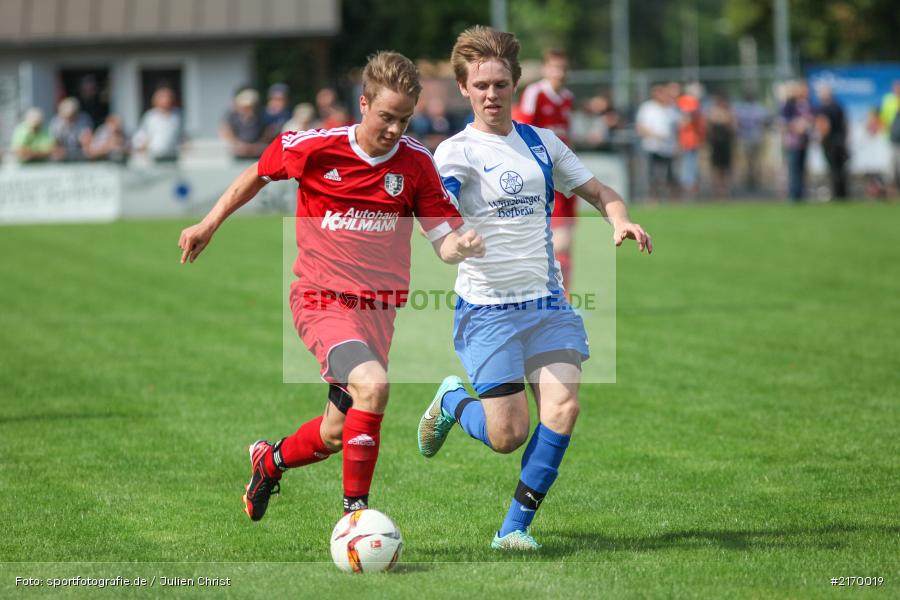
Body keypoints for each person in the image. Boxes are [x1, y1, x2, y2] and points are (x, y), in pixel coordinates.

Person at [178, 51, 484, 522]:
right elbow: (257, 174)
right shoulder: (316, 146)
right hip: (321, 299)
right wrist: (209, 222)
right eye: (385, 116)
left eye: (403, 120)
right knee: (374, 386)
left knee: (334, 433)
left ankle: (269, 460)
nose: (393, 129)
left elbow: (442, 240)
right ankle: (355, 519)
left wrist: (460, 245)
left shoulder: (416, 162)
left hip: (379, 312)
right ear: (363, 104)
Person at [417, 26, 652, 551]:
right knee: (507, 435)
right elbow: (438, 210)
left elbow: (598, 189)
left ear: (515, 84)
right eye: (480, 85)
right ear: (463, 88)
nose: (491, 94)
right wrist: (453, 243)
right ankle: (453, 400)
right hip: (488, 310)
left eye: (500, 83)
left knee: (564, 407)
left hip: (547, 303)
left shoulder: (541, 143)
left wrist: (619, 219)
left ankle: (513, 530)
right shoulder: (455, 151)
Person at [515, 49, 578, 291]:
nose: (559, 73)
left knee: (567, 240)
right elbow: (523, 131)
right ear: (545, 69)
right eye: (554, 68)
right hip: (543, 176)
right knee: (553, 241)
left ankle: (564, 297)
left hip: (564, 174)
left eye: (563, 68)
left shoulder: (567, 97)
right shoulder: (535, 93)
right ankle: (545, 295)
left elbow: (566, 135)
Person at [636, 84, 680, 202]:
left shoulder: (671, 108)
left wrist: (677, 144)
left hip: (669, 148)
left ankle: (674, 200)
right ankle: (653, 198)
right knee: (653, 175)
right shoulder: (647, 108)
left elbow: (677, 128)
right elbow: (640, 128)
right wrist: (656, 135)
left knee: (671, 175)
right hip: (653, 147)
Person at [780, 80, 813, 201]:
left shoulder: (807, 104)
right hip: (793, 142)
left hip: (804, 141)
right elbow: (783, 123)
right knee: (793, 169)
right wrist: (796, 126)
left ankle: (801, 193)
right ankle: (794, 195)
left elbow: (811, 119)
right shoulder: (789, 104)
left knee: (802, 169)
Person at [814, 83, 849, 200]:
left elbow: (824, 125)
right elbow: (845, 124)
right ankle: (842, 194)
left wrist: (821, 139)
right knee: (840, 169)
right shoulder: (839, 106)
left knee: (833, 169)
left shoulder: (824, 108)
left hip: (830, 142)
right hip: (840, 141)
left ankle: (837, 195)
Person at [133, 86, 183, 163]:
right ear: (156, 100)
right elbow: (141, 135)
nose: (166, 100)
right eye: (163, 98)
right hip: (155, 156)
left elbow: (183, 134)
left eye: (169, 97)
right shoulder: (150, 116)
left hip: (173, 155)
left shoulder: (178, 115)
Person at [734, 92, 769, 194]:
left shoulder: (753, 108)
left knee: (754, 162)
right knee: (749, 162)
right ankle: (750, 181)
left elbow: (764, 122)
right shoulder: (751, 108)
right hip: (750, 138)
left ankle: (754, 181)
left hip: (753, 138)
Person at [677, 86, 706, 198]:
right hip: (686, 141)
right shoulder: (686, 101)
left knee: (691, 166)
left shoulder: (694, 103)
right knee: (687, 166)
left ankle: (689, 188)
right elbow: (686, 118)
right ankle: (687, 190)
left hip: (693, 141)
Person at [221, 88, 266, 160]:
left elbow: (267, 134)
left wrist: (257, 146)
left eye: (251, 106)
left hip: (257, 154)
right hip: (237, 153)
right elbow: (226, 132)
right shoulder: (232, 117)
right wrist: (238, 144)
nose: (248, 109)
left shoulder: (262, 117)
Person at [707, 94, 736, 199]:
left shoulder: (729, 112)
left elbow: (733, 127)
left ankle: (725, 191)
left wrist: (726, 119)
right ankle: (717, 192)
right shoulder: (712, 112)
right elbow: (710, 124)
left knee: (726, 169)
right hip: (716, 145)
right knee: (716, 169)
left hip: (726, 145)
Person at [48, 97, 93, 162]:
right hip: (62, 156)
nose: (69, 119)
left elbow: (87, 142)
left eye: (72, 116)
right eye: (66, 117)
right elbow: (55, 145)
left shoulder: (84, 120)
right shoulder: (56, 122)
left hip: (80, 154)